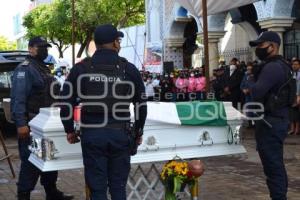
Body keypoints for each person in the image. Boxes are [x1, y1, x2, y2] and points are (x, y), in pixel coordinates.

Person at [60, 24, 147, 200]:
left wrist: (69, 130)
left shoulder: (81, 68)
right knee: (118, 187)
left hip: (92, 135)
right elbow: (141, 104)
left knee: (97, 189)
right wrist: (138, 131)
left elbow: (66, 103)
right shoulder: (128, 69)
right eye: (119, 40)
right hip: (120, 135)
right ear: (115, 43)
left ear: (96, 43)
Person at [10, 36, 73, 200]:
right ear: (31, 48)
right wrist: (21, 124)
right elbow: (18, 99)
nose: (44, 50)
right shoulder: (25, 69)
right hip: (32, 125)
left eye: (46, 47)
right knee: (31, 161)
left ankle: (52, 192)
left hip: (47, 123)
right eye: (41, 47)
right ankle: (23, 195)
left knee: (50, 157)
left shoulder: (43, 68)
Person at [249, 31, 295, 200]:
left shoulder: (273, 67)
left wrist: (251, 80)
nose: (258, 49)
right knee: (274, 165)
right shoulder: (281, 65)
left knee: (273, 166)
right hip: (276, 120)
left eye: (261, 45)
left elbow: (256, 91)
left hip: (271, 122)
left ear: (273, 46)